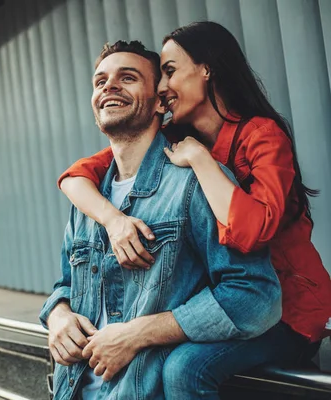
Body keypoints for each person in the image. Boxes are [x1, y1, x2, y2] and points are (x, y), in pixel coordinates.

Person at [58, 21, 331, 399]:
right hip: (228, 309)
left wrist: (202, 162)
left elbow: (253, 233)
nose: (165, 88)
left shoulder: (259, 135)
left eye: (169, 72)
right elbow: (79, 174)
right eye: (99, 80)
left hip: (288, 310)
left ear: (206, 69)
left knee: (184, 367)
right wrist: (113, 219)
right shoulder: (172, 139)